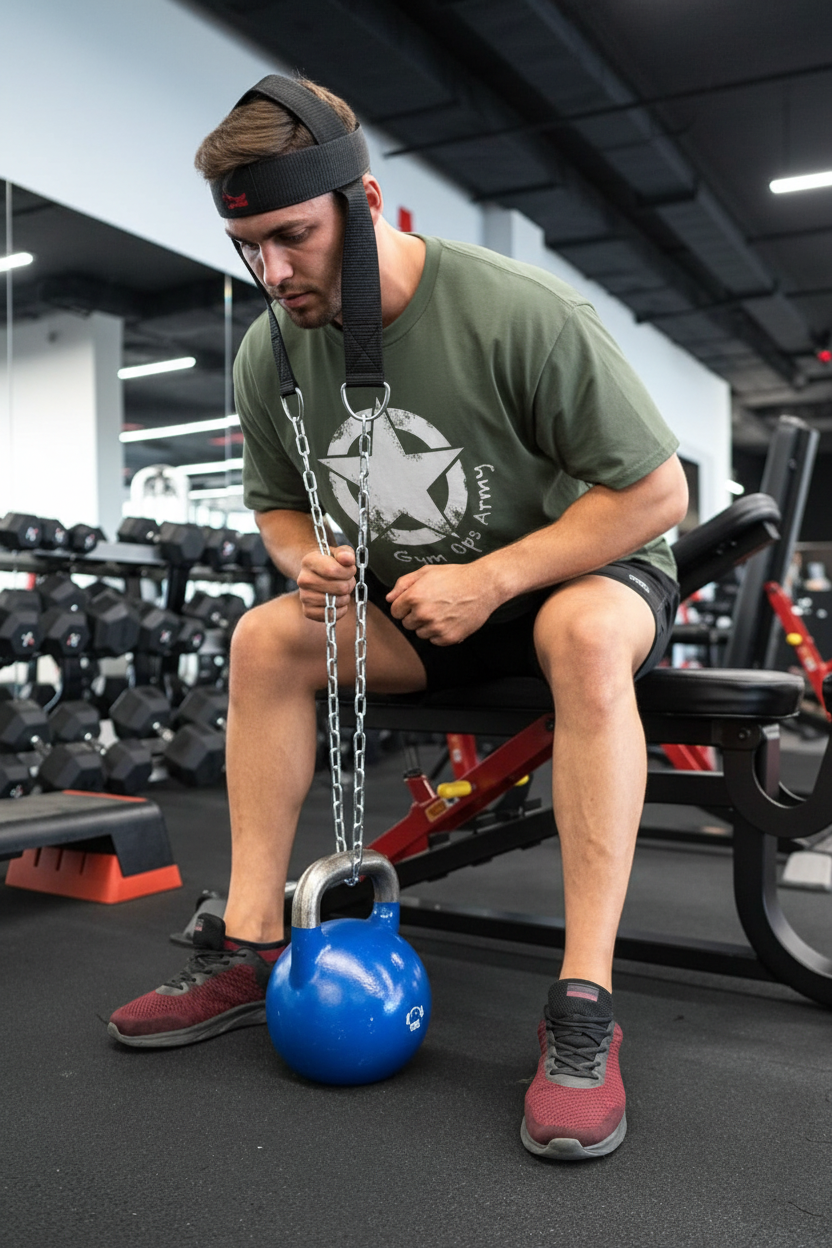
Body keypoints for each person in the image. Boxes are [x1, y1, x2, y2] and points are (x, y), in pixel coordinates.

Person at [108, 75, 688, 1161]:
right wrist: (301, 561)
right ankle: (246, 943)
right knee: (266, 635)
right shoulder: (269, 350)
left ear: (363, 202)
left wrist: (500, 577)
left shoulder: (521, 311)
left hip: (577, 574)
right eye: (250, 248)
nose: (273, 273)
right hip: (423, 600)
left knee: (582, 635)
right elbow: (276, 503)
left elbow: (656, 496)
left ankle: (583, 1008)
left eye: (292, 236)